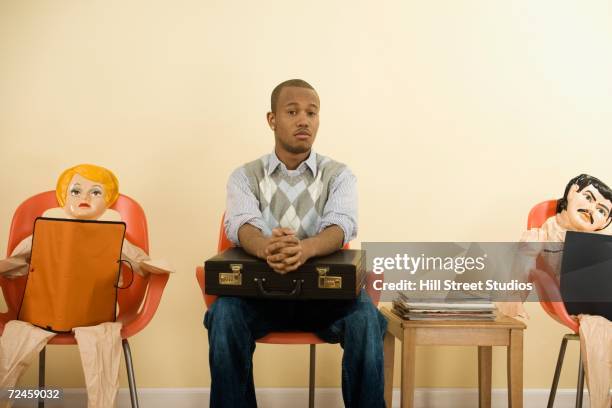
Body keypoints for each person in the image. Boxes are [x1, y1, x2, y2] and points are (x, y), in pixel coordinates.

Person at [204, 79, 387, 408]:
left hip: (324, 299)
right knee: (224, 313)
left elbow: (342, 225)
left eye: (312, 113)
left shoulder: (340, 176)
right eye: (292, 112)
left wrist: (304, 249)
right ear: (272, 119)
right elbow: (242, 225)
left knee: (366, 316)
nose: (304, 120)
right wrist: (266, 247)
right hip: (260, 298)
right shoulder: (243, 177)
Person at [0, 164, 172, 408]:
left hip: (96, 320)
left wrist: (157, 266)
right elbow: (16, 263)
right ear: (63, 198)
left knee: (102, 350)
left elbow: (140, 262)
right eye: (76, 191)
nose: (84, 198)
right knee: (10, 360)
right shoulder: (42, 234)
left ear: (108, 202)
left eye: (96, 192)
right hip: (40, 315)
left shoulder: (115, 238)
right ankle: (16, 399)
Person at [499, 174, 612, 408]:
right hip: (568, 298)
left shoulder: (601, 243)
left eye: (602, 211)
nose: (592, 210)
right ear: (571, 193)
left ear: (605, 222)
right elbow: (523, 263)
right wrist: (514, 301)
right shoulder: (542, 233)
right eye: (588, 198)